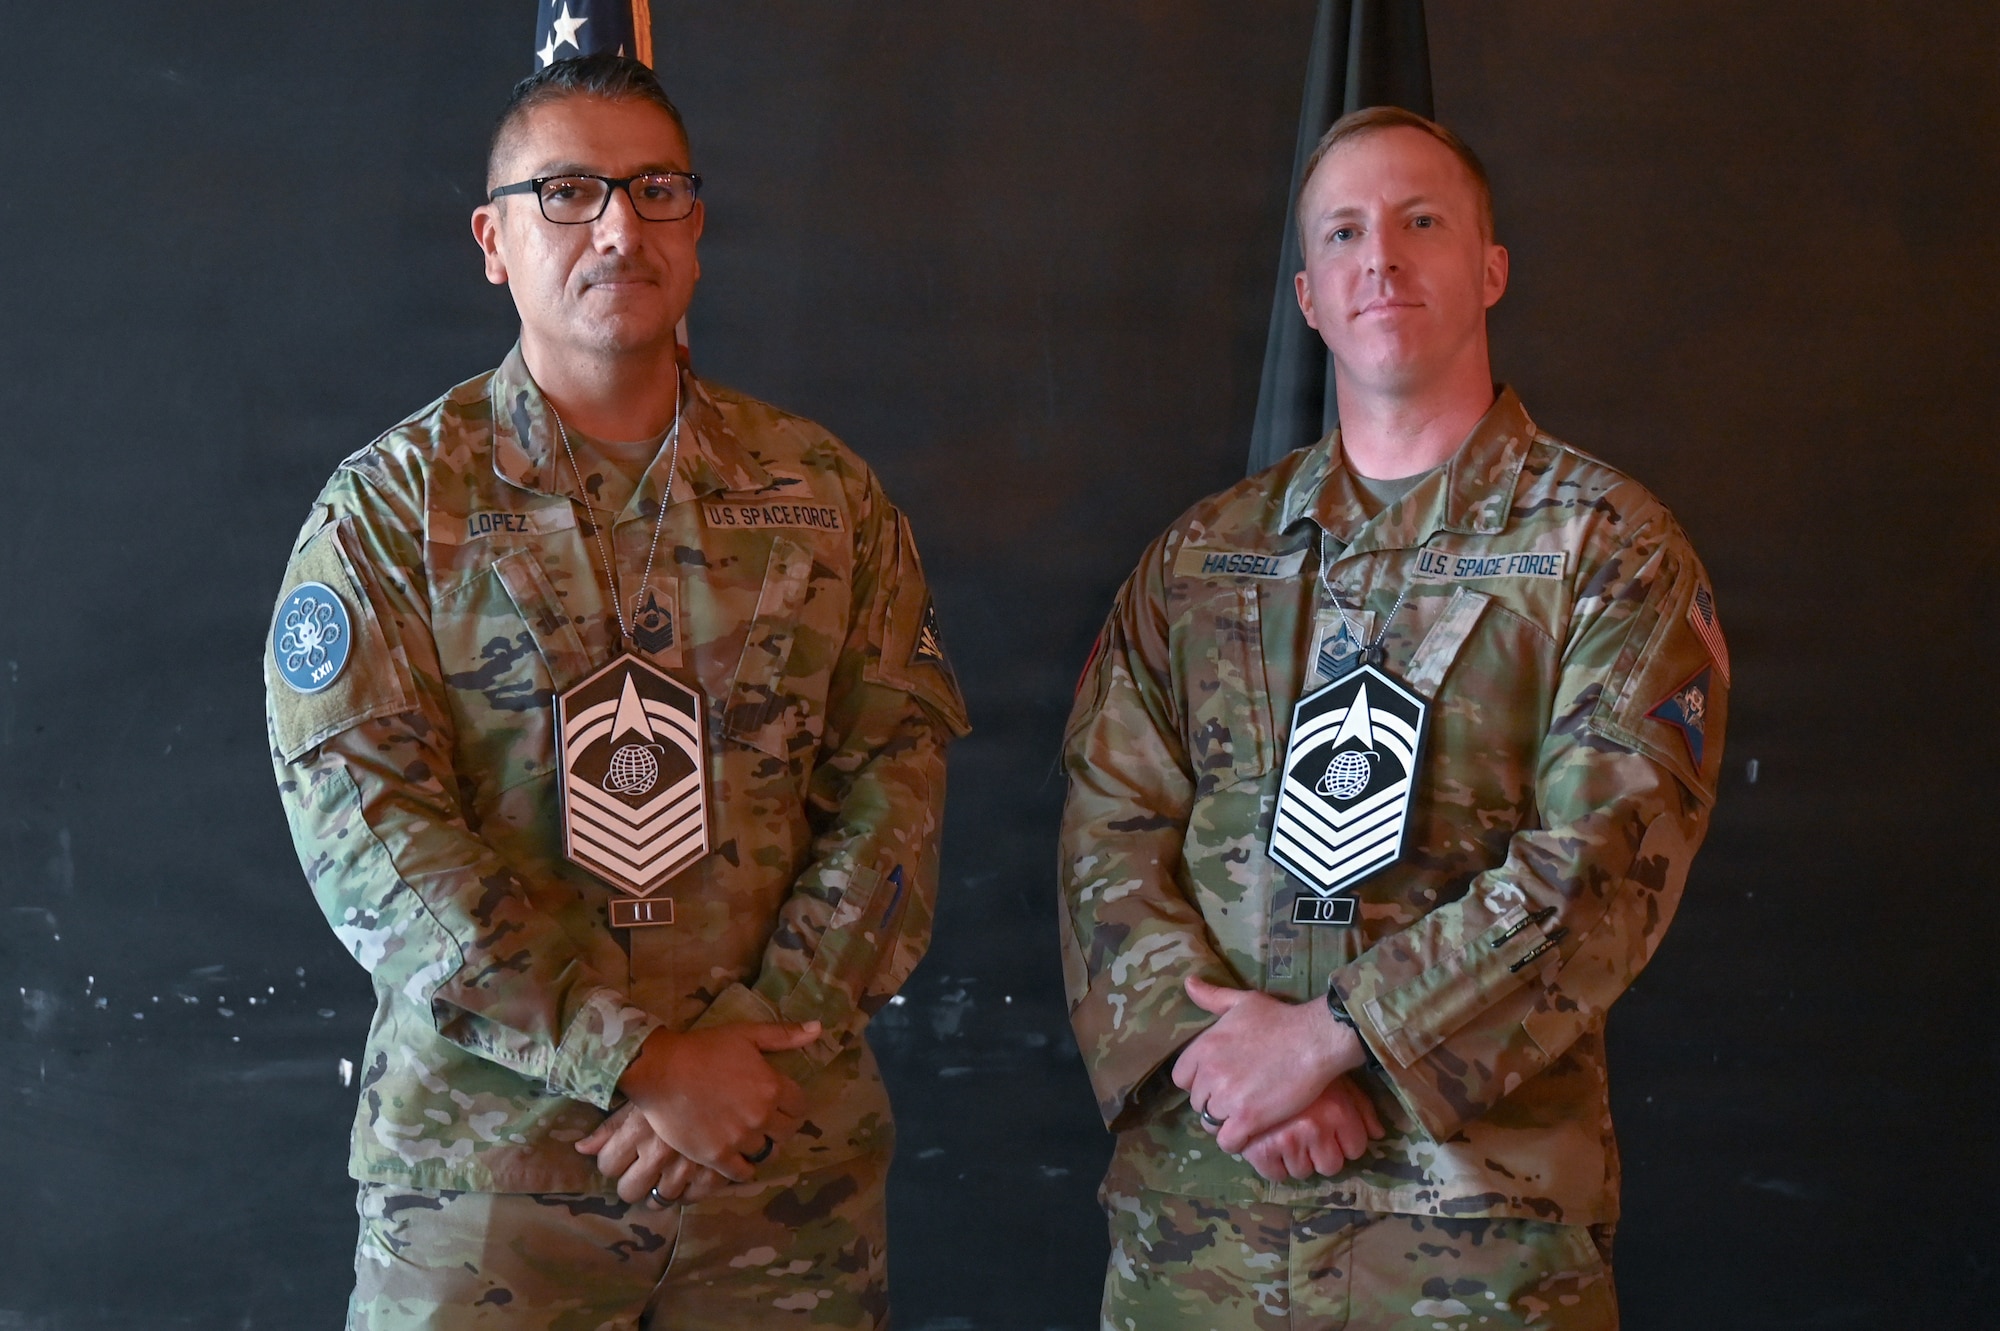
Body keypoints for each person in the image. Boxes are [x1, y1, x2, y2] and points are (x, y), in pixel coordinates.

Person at [265, 53, 968, 1329]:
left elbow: (896, 793)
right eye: (568, 192)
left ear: (696, 227)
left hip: (773, 1173)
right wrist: (637, 1058)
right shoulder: (390, 509)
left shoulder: (823, 496)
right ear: (494, 238)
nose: (616, 227)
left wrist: (748, 1054)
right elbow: (367, 828)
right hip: (493, 1182)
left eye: (654, 190)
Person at [1059, 106, 1729, 1329]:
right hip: (1205, 1231)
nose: (1381, 257)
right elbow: (1106, 831)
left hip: (1474, 1239)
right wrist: (1229, 1072)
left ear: (1489, 270)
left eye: (1421, 222)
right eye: (1345, 231)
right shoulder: (1200, 559)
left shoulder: (1606, 548)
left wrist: (1331, 1035)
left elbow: (1602, 865)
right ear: (1309, 295)